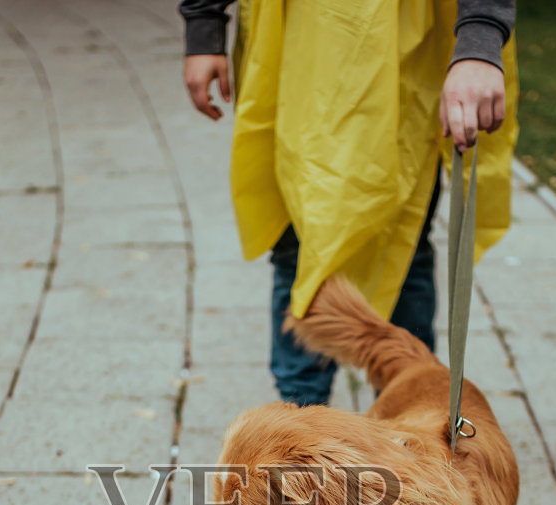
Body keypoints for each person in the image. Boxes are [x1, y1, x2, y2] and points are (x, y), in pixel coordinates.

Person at [180, 0, 520, 406]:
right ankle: (300, 420)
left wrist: (479, 39)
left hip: (404, 54)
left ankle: (408, 412)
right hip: (294, 52)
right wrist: (204, 23)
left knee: (403, 242)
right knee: (298, 248)